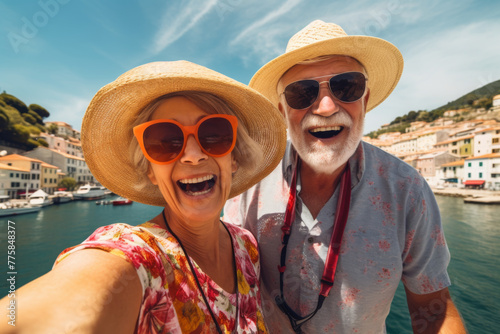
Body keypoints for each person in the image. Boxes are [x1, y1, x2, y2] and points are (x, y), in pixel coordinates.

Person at [0, 61, 287, 333]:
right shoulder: (138, 257)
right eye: (165, 140)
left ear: (234, 159)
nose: (193, 154)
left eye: (213, 134)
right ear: (150, 171)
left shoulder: (247, 248)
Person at [224, 20, 467, 333]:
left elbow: (434, 313)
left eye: (347, 87)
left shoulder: (408, 190)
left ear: (364, 101)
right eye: (301, 93)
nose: (325, 107)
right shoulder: (248, 183)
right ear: (283, 112)